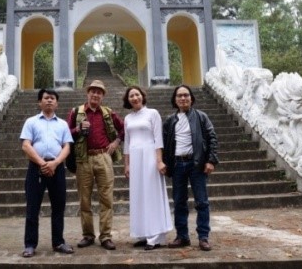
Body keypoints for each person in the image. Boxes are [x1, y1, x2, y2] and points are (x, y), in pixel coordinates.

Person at [66, 79, 125, 250]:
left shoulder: (108, 112)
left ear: (103, 96)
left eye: (99, 92)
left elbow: (123, 128)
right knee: (84, 200)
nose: (96, 94)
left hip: (103, 157)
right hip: (83, 159)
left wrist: (116, 142)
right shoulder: (76, 112)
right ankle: (88, 235)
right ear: (88, 93)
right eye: (93, 91)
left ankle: (105, 236)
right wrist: (77, 129)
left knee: (106, 199)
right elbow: (65, 134)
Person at [162, 85, 219, 251]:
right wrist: (165, 162)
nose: (183, 98)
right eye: (179, 96)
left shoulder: (201, 117)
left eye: (186, 95)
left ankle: (203, 237)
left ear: (191, 98)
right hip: (177, 164)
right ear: (175, 99)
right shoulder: (170, 120)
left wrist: (211, 161)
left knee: (202, 202)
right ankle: (182, 236)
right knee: (179, 202)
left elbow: (212, 139)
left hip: (197, 164)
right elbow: (165, 144)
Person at [20, 88, 74, 258]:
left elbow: (67, 146)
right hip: (37, 168)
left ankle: (58, 242)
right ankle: (30, 244)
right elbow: (26, 145)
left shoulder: (63, 124)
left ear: (57, 103)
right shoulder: (31, 122)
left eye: (52, 98)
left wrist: (56, 163)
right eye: (46, 98)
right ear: (40, 102)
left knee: (58, 207)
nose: (49, 100)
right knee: (32, 208)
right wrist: (43, 163)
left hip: (57, 168)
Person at [122, 86, 173, 250]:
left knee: (152, 194)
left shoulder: (153, 113)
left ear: (142, 97)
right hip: (135, 158)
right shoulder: (128, 118)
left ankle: (156, 236)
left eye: (137, 94)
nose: (134, 98)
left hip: (150, 156)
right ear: (128, 100)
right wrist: (127, 164)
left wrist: (159, 161)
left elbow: (158, 139)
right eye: (131, 96)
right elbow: (127, 143)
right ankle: (143, 234)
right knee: (138, 195)